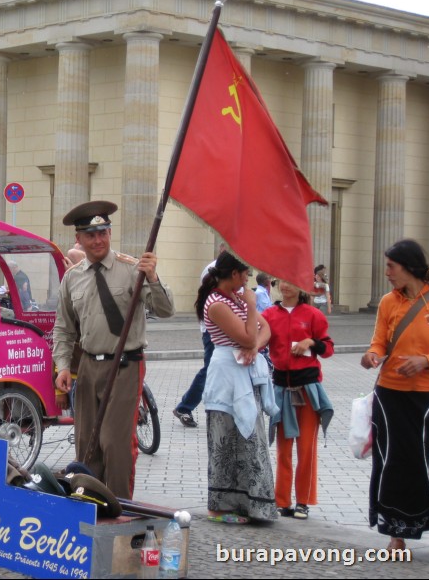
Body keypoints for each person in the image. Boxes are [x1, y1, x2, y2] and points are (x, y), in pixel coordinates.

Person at [53, 201, 174, 499]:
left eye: (103, 233)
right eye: (91, 235)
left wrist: (154, 278)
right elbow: (64, 328)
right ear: (78, 239)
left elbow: (166, 309)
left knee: (114, 442)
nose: (98, 240)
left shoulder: (132, 269)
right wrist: (63, 366)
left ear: (109, 233)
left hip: (124, 366)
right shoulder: (72, 277)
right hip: (88, 368)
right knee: (87, 443)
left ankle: (120, 507)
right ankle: (89, 502)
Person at [360, 239, 429, 552]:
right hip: (390, 396)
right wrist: (371, 356)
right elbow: (379, 342)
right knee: (394, 463)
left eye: (391, 266)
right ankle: (396, 534)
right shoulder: (389, 302)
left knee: (428, 462)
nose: (386, 272)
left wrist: (426, 361)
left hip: (428, 397)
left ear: (409, 265)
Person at [199, 251, 276, 523]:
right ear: (234, 274)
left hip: (243, 368)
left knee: (249, 438)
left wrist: (254, 346)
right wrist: (252, 310)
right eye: (245, 273)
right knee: (225, 438)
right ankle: (220, 506)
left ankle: (250, 502)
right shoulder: (217, 303)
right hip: (226, 374)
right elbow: (245, 335)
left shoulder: (236, 298)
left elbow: (264, 330)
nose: (248, 279)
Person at [262, 280, 334, 520]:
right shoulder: (269, 314)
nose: (286, 285)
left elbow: (328, 348)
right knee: (283, 448)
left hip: (308, 389)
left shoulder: (313, 314)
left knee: (306, 448)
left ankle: (303, 501)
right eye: (282, 280)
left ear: (301, 286)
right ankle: (282, 501)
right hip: (281, 387)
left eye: (291, 281)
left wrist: (311, 342)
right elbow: (258, 340)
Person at [172, 242, 227, 428]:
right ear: (223, 249)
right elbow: (209, 299)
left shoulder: (234, 269)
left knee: (217, 371)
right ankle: (185, 407)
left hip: (227, 328)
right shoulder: (213, 270)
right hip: (214, 329)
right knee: (211, 371)